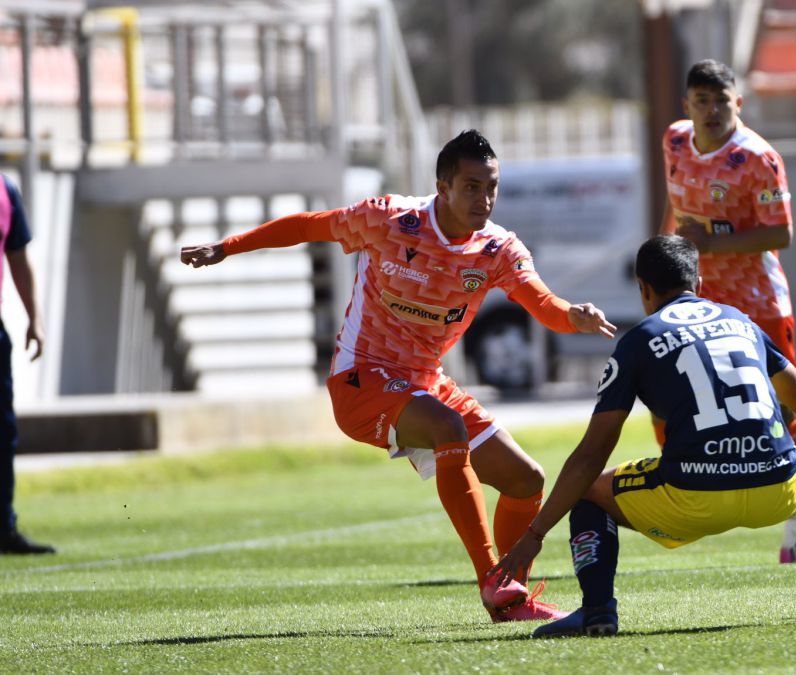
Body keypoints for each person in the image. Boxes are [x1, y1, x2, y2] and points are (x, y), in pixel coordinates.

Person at [180, 130, 615, 622]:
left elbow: (542, 302)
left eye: (492, 187)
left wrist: (571, 315)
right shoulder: (391, 220)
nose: (484, 199)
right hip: (361, 379)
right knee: (447, 429)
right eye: (471, 187)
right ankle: (494, 581)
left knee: (525, 479)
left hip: (425, 382)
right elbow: (309, 226)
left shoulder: (497, 249)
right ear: (442, 186)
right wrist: (229, 246)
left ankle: (509, 599)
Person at [489, 235, 796, 637]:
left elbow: (591, 453)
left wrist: (534, 535)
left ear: (643, 288)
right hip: (775, 490)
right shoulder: (740, 321)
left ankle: (597, 612)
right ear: (700, 284)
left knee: (588, 491)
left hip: (693, 498)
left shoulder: (638, 341)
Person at [659, 59, 796, 564]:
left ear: (737, 104)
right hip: (697, 300)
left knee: (781, 402)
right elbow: (677, 213)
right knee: (675, 393)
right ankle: (680, 491)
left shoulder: (758, 158)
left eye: (720, 101)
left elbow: (782, 234)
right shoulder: (675, 142)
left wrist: (713, 243)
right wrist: (668, 254)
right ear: (687, 106)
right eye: (701, 101)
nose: (710, 111)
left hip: (757, 302)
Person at [0, 174, 51, 555]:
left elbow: (17, 257)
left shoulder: (6, 189)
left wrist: (34, 317)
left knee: (3, 430)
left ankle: (3, 526)